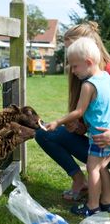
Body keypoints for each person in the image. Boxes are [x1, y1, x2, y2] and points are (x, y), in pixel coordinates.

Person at [34, 21, 110, 203]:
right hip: (98, 144)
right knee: (45, 134)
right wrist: (77, 127)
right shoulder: (81, 76)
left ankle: (98, 199)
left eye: (72, 51)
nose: (69, 62)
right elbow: (88, 124)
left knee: (99, 169)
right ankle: (80, 182)